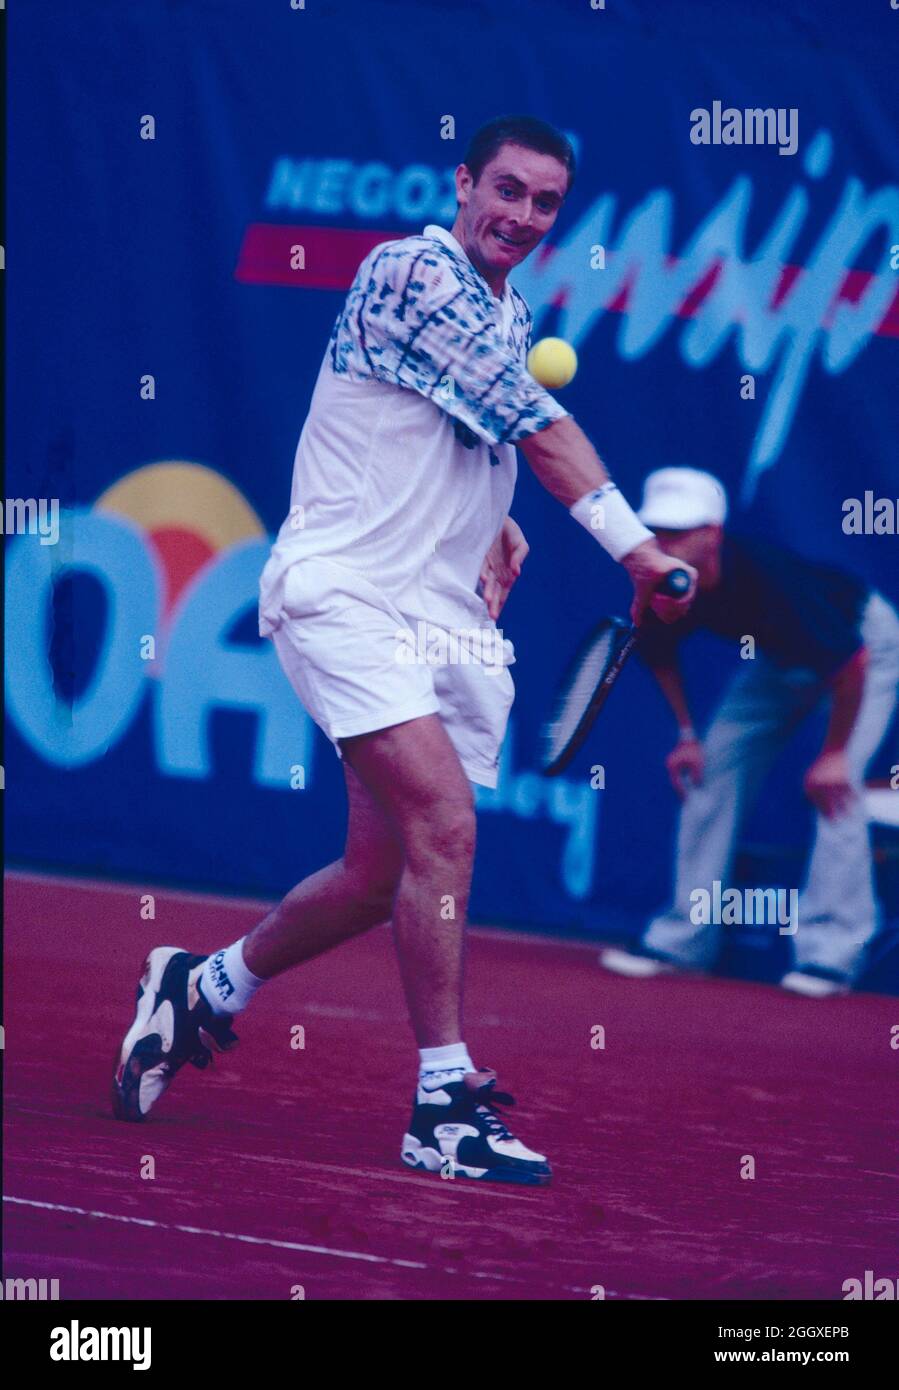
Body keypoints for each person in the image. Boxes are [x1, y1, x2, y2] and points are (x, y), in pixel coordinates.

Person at [113, 115, 694, 1183]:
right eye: (503, 189)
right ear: (461, 181)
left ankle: (203, 986)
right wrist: (635, 547)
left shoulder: (507, 312)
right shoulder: (406, 272)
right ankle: (443, 1103)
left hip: (434, 618)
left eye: (542, 203)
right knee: (443, 818)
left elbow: (462, 441)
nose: (519, 215)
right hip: (342, 597)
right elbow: (532, 421)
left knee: (378, 873)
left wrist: (495, 522)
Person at [600, 467, 899, 997]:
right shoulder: (659, 581)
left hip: (864, 646)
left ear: (712, 533)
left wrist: (833, 755)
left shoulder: (772, 581)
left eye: (678, 531)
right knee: (708, 771)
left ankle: (832, 954)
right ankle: (682, 941)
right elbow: (660, 653)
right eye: (656, 531)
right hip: (782, 659)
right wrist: (687, 734)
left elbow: (849, 662)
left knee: (838, 787)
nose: (663, 543)